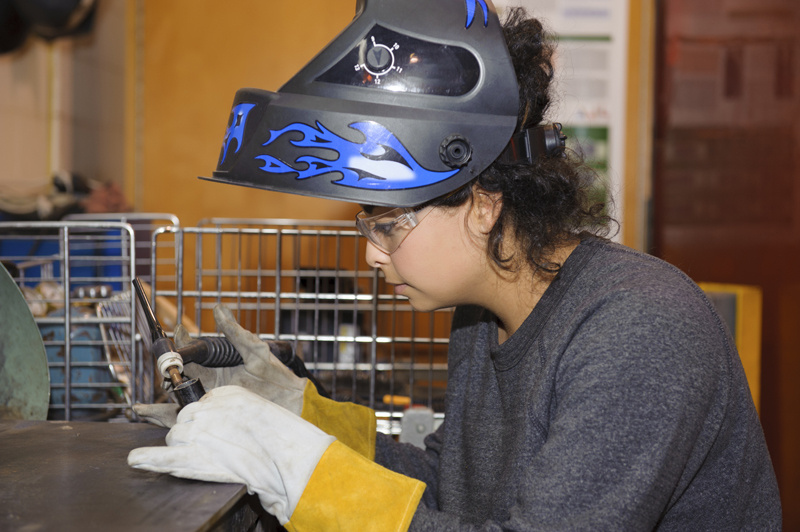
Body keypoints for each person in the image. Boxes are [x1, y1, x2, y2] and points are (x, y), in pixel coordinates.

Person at [128, 0, 782, 530]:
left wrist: (305, 478)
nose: (371, 252)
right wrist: (300, 416)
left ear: (483, 205)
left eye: (387, 225)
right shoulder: (482, 314)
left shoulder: (640, 332)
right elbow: (451, 489)